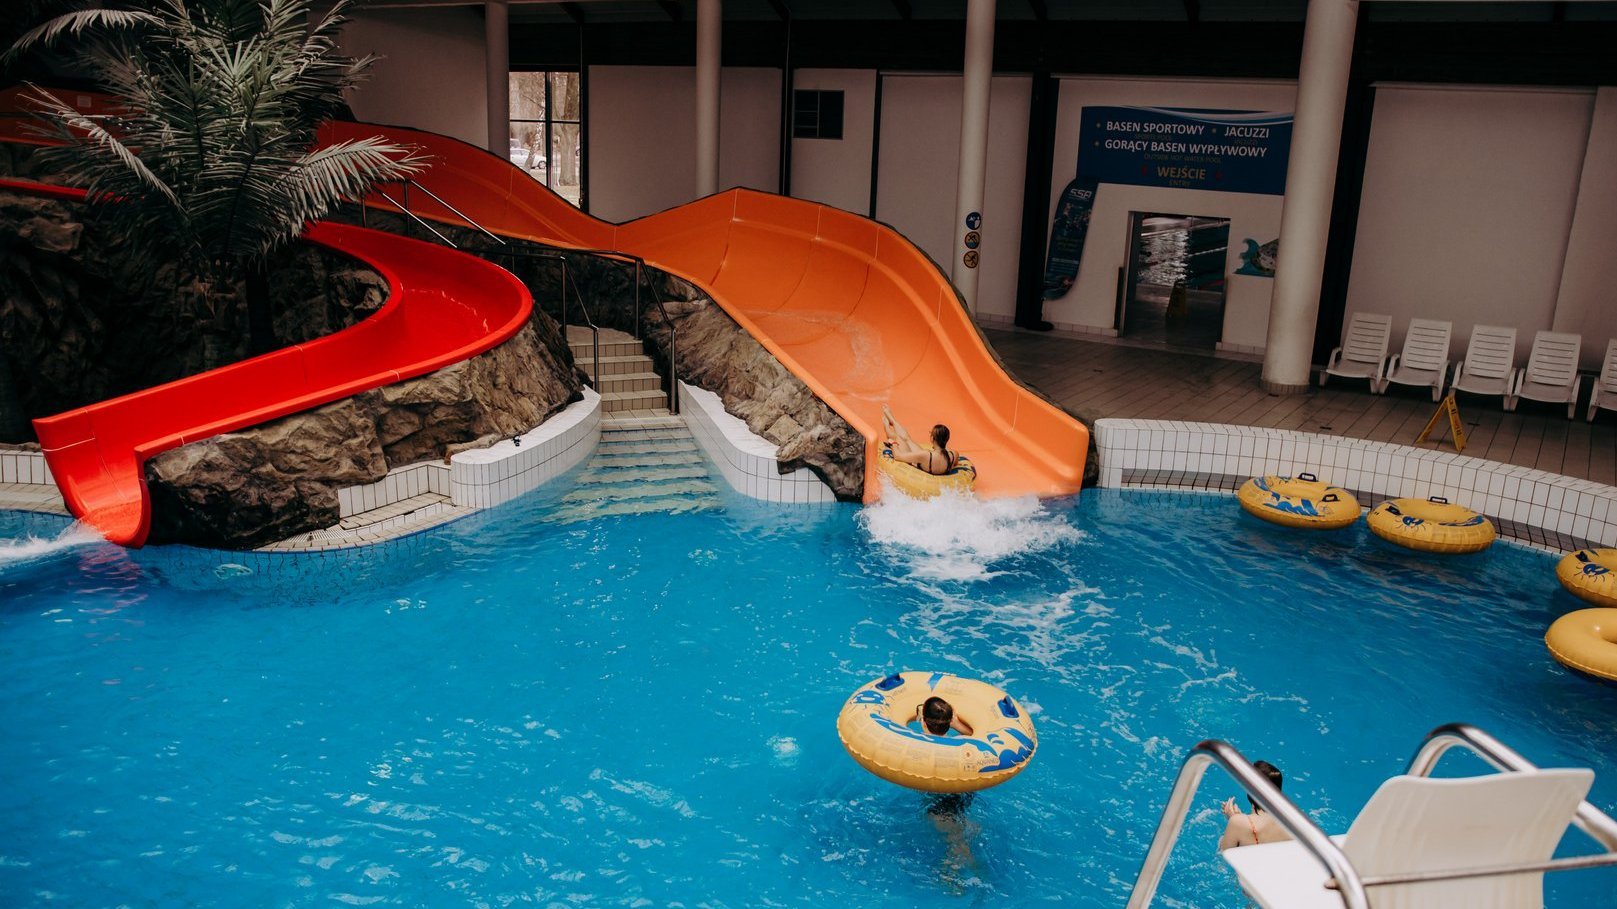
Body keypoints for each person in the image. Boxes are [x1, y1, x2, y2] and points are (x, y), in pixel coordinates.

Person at [1218, 760, 1293, 851]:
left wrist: (1234, 820)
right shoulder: (1292, 820)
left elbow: (1222, 855)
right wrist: (1241, 819)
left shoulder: (1237, 822)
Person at [882, 405, 959, 477]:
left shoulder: (925, 455)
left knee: (897, 437)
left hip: (926, 461)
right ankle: (891, 419)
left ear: (932, 438)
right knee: (907, 439)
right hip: (928, 460)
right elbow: (952, 460)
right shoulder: (953, 455)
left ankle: (886, 424)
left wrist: (893, 443)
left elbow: (898, 456)